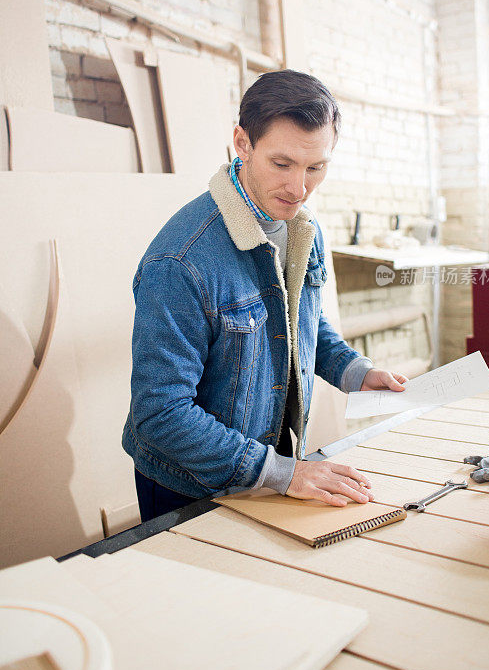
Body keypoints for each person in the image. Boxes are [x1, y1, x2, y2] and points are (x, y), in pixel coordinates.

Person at [122, 69, 408, 521]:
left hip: (268, 465)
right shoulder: (180, 263)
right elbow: (160, 415)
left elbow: (298, 322)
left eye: (316, 168)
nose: (299, 189)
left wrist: (355, 372)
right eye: (282, 164)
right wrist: (284, 473)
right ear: (242, 143)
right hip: (189, 487)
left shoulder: (300, 227)